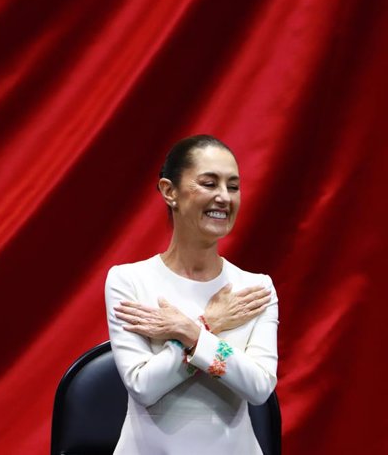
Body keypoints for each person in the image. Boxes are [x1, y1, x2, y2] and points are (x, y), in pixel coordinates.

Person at [104, 134, 279, 454]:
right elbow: (144, 386)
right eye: (209, 183)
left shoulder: (255, 288)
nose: (224, 197)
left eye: (233, 186)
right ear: (169, 191)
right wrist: (209, 323)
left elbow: (259, 387)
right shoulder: (128, 280)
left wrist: (191, 332)